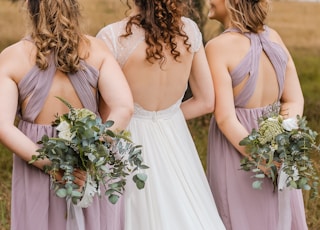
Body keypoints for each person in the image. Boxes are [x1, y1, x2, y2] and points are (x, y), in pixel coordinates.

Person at [0, 0, 134, 229]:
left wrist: (54, 165)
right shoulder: (97, 49)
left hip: (37, 162)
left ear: (31, 10)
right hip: (88, 169)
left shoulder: (12, 57)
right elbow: (124, 108)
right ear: (74, 8)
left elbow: (3, 126)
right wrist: (89, 153)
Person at [96, 0, 226, 229]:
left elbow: (105, 112)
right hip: (175, 136)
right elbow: (206, 101)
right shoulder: (189, 31)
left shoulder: (112, 37)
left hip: (127, 139)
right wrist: (167, 117)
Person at [205, 0, 308, 229]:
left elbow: (225, 118)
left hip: (237, 149)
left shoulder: (217, 47)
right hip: (278, 144)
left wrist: (262, 159)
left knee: (237, 215)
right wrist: (284, 141)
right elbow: (294, 99)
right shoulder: (275, 38)